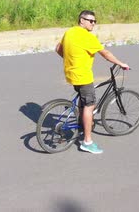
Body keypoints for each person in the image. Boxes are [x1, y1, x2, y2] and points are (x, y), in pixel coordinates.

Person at [55, 10, 130, 154]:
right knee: (90, 105)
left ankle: (81, 123)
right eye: (90, 21)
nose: (93, 24)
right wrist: (121, 63)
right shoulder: (88, 38)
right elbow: (106, 54)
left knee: (83, 100)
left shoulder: (69, 32)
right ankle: (87, 142)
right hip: (83, 76)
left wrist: (70, 60)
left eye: (95, 21)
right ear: (81, 20)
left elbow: (58, 48)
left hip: (71, 74)